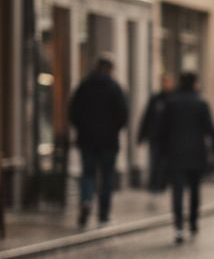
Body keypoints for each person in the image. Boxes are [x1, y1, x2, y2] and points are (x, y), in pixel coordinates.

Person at [155, 71, 214, 244]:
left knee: (177, 190)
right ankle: (193, 221)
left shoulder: (170, 103)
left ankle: (178, 227)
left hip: (175, 154)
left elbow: (161, 130)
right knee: (195, 189)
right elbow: (210, 129)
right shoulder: (201, 103)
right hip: (196, 154)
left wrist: (161, 153)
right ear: (194, 83)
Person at [68, 53, 128, 228]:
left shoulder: (84, 86)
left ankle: (86, 200)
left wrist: (82, 128)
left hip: (87, 140)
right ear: (110, 69)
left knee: (88, 173)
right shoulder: (115, 87)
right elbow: (123, 115)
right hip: (109, 141)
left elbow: (73, 112)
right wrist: (113, 129)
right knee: (107, 176)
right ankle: (103, 214)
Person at [138, 73, 177, 208]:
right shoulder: (156, 99)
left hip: (171, 139)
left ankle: (163, 186)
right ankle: (154, 187)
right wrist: (141, 136)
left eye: (168, 82)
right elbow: (147, 117)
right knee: (155, 163)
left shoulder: (175, 99)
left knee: (166, 164)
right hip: (156, 138)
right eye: (164, 82)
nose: (166, 84)